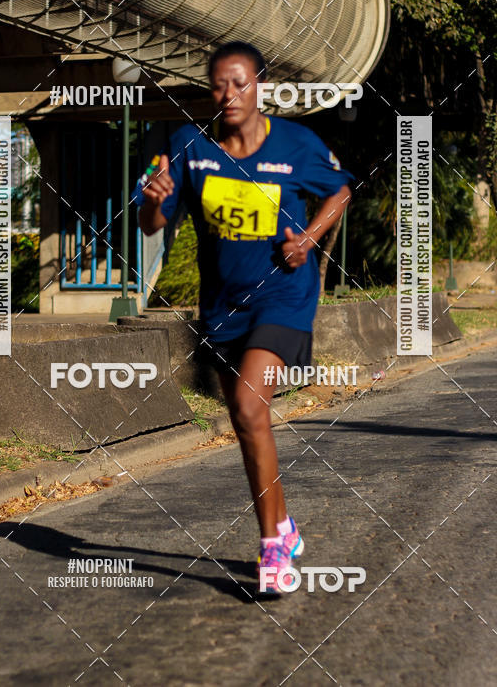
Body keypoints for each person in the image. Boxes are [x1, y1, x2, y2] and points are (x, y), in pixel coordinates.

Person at [134, 41, 352, 593]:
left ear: (260, 87)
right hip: (222, 305)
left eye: (240, 83)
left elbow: (340, 191)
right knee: (244, 418)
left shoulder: (295, 144)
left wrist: (308, 238)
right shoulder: (190, 146)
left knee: (253, 407)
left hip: (284, 295)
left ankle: (272, 546)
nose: (228, 94)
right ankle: (283, 526)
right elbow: (151, 223)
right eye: (218, 85)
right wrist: (154, 199)